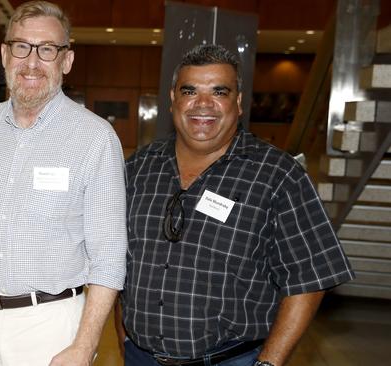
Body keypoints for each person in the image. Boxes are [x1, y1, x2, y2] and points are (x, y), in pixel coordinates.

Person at [120, 44, 354, 366]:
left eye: (219, 91)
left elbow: (308, 280)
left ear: (239, 103)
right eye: (190, 91)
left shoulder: (278, 176)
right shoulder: (138, 169)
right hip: (139, 358)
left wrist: (268, 363)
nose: (203, 104)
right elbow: (113, 261)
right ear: (173, 99)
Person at [0, 1, 127, 365]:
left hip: (50, 327)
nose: (32, 62)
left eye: (47, 50)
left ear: (66, 61)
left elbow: (109, 257)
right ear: (5, 55)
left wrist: (85, 345)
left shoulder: (95, 138)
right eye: (22, 47)